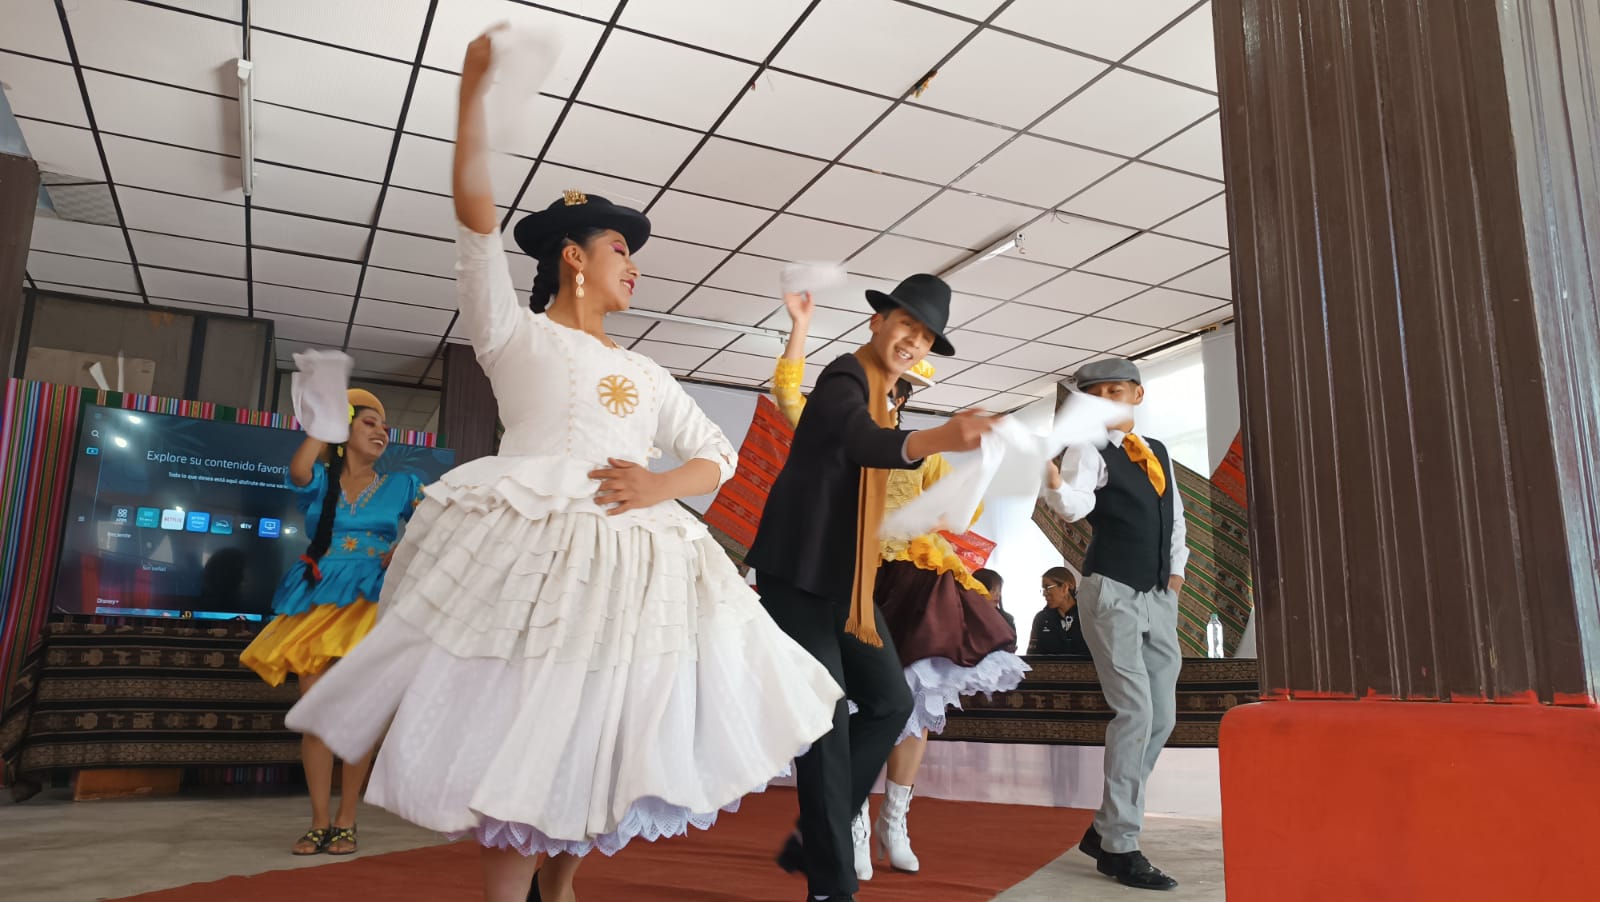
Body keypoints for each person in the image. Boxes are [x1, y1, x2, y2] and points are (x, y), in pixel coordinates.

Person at [284, 30, 841, 902]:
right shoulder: (516, 334)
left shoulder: (650, 373)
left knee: (604, 729)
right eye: (622, 251)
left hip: (631, 574)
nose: (636, 270)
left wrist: (659, 484)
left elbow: (717, 456)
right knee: (526, 728)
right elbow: (475, 220)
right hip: (533, 559)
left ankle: (565, 883)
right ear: (572, 256)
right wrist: (474, 104)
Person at [748, 275, 997, 902]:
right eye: (905, 324)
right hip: (798, 575)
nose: (913, 341)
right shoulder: (843, 378)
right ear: (876, 323)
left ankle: (822, 828)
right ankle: (831, 884)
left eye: (925, 336)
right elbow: (860, 443)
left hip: (850, 585)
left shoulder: (886, 402)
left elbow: (900, 469)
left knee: (889, 702)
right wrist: (940, 437)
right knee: (827, 723)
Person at [240, 389, 423, 856]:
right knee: (318, 714)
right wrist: (323, 424)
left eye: (384, 426)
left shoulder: (404, 484)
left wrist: (403, 549)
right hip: (319, 598)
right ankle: (319, 821)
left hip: (372, 600)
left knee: (358, 711)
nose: (381, 431)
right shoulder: (321, 479)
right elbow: (298, 471)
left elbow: (437, 522)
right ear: (343, 433)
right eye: (368, 423)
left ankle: (347, 819)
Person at [1042, 358, 1188, 892]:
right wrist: (1051, 477)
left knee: (1162, 717)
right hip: (1111, 594)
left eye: (1115, 390)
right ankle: (1120, 845)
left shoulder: (1161, 453)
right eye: (1095, 394)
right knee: (1135, 712)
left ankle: (1103, 829)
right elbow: (1076, 504)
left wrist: (1173, 581)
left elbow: (1176, 521)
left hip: (1157, 596)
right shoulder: (1088, 447)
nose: (1107, 398)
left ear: (1137, 394)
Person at [1029, 567, 1091, 657]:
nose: (1044, 593)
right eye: (1043, 589)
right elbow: (1032, 657)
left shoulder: (1089, 616)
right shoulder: (1041, 619)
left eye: (1048, 588)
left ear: (1065, 587)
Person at [972, 568, 1015, 637]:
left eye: (999, 590)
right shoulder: (963, 616)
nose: (997, 594)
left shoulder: (1007, 620)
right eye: (993, 589)